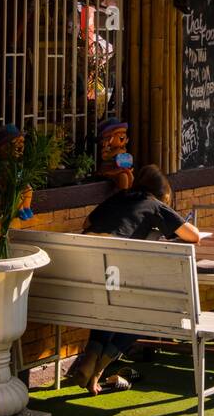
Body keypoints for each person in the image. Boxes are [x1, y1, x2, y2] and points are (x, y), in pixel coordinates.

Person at [70, 164, 201, 395]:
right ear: (161, 194)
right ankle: (100, 367)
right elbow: (194, 236)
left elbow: (85, 224)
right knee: (146, 315)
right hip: (114, 273)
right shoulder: (154, 204)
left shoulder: (119, 197)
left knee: (108, 304)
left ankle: (91, 357)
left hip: (86, 273)